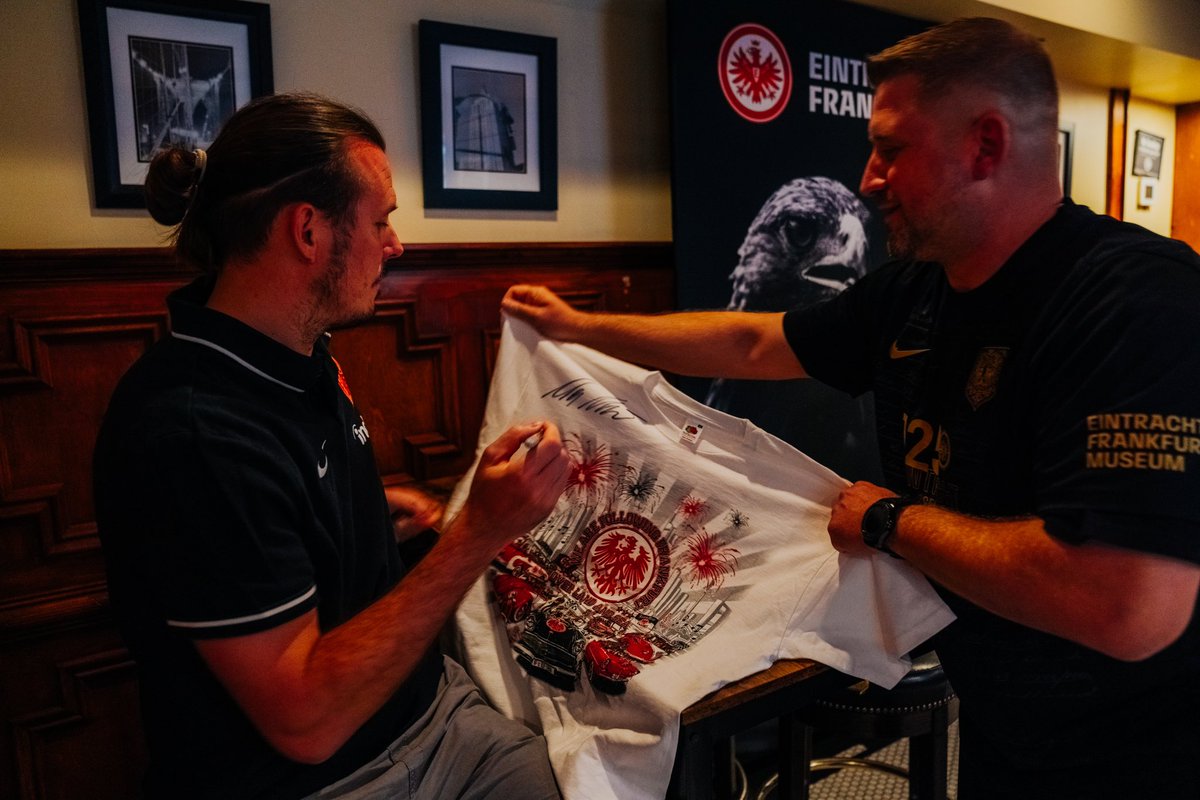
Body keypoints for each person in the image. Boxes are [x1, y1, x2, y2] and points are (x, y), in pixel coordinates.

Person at [502, 17, 1200, 799]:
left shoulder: (1138, 300)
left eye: (892, 149)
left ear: (987, 145)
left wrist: (888, 521)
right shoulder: (917, 291)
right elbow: (751, 341)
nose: (869, 178)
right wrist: (582, 327)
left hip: (1146, 750)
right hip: (1007, 724)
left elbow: (1129, 606)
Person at [93, 92, 569, 800]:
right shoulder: (189, 430)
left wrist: (361, 512)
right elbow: (305, 723)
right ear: (309, 232)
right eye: (380, 221)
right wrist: (481, 530)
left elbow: (262, 517)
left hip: (431, 712)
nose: (395, 244)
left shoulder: (300, 350)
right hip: (323, 776)